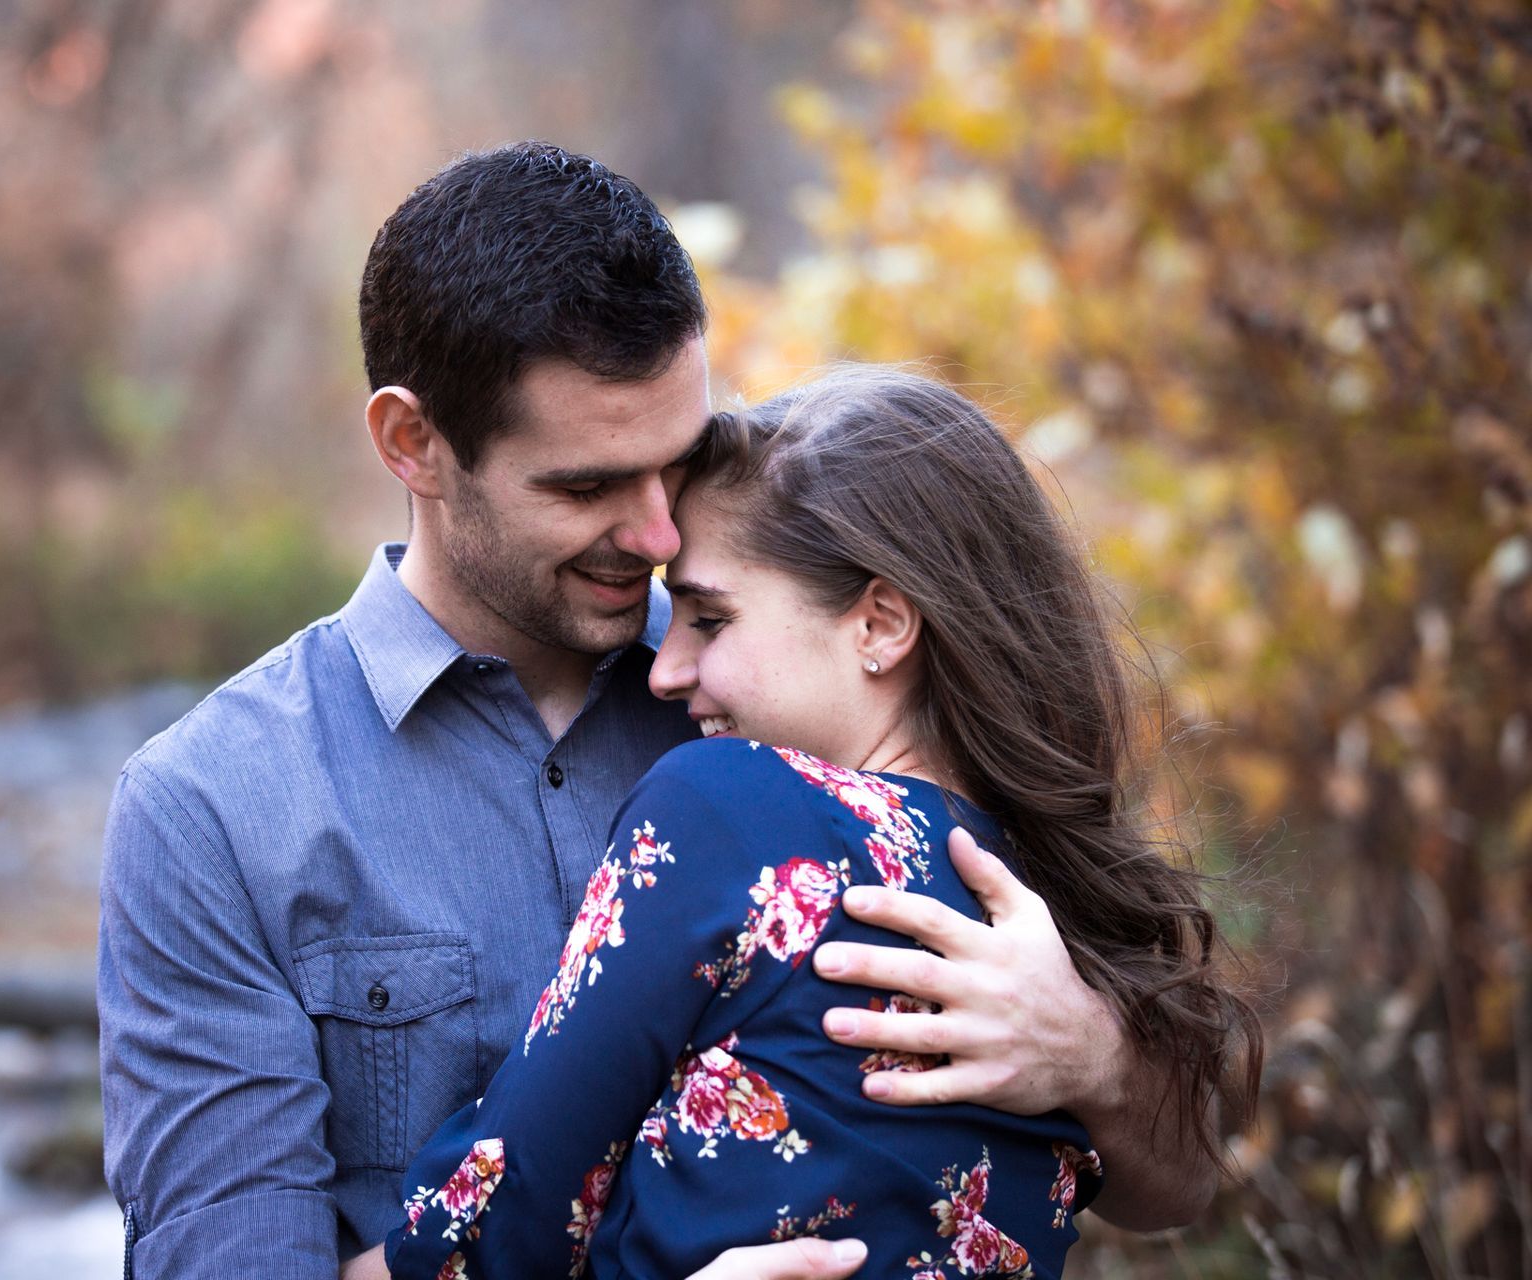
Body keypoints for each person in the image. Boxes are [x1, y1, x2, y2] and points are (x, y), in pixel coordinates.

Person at [97, 142, 1228, 1280]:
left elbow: (1181, 1178)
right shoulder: (213, 810)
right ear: (414, 444)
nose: (652, 536)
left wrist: (1096, 1060)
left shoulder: (783, 702)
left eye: (673, 466)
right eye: (587, 485)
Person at [383, 367, 1263, 1278]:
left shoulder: (728, 809)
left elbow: (485, 1228)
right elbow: (1182, 1188)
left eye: (708, 618)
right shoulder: (1042, 900)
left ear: (881, 624)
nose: (664, 669)